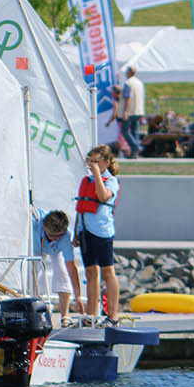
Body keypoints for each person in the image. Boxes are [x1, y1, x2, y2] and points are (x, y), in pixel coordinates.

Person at [76, 144, 121, 322]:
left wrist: (97, 175)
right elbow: (80, 207)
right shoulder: (86, 180)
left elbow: (103, 197)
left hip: (102, 231)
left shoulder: (111, 181)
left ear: (106, 162)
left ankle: (113, 314)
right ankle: (92, 314)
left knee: (107, 272)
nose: (93, 165)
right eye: (90, 162)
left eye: (96, 161)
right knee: (90, 272)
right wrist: (76, 233)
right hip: (86, 230)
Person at [35, 209, 81, 319]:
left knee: (63, 273)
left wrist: (78, 296)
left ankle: (65, 315)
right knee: (35, 274)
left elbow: (71, 267)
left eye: (59, 236)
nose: (56, 238)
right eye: (52, 235)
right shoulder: (34, 225)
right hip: (38, 248)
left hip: (56, 250)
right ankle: (36, 312)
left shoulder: (65, 237)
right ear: (45, 228)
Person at [121, 65, 148, 148]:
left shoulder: (128, 83)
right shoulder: (139, 83)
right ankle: (135, 151)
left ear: (129, 73)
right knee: (135, 131)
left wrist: (125, 111)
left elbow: (127, 97)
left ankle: (136, 147)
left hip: (131, 111)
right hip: (139, 110)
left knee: (124, 130)